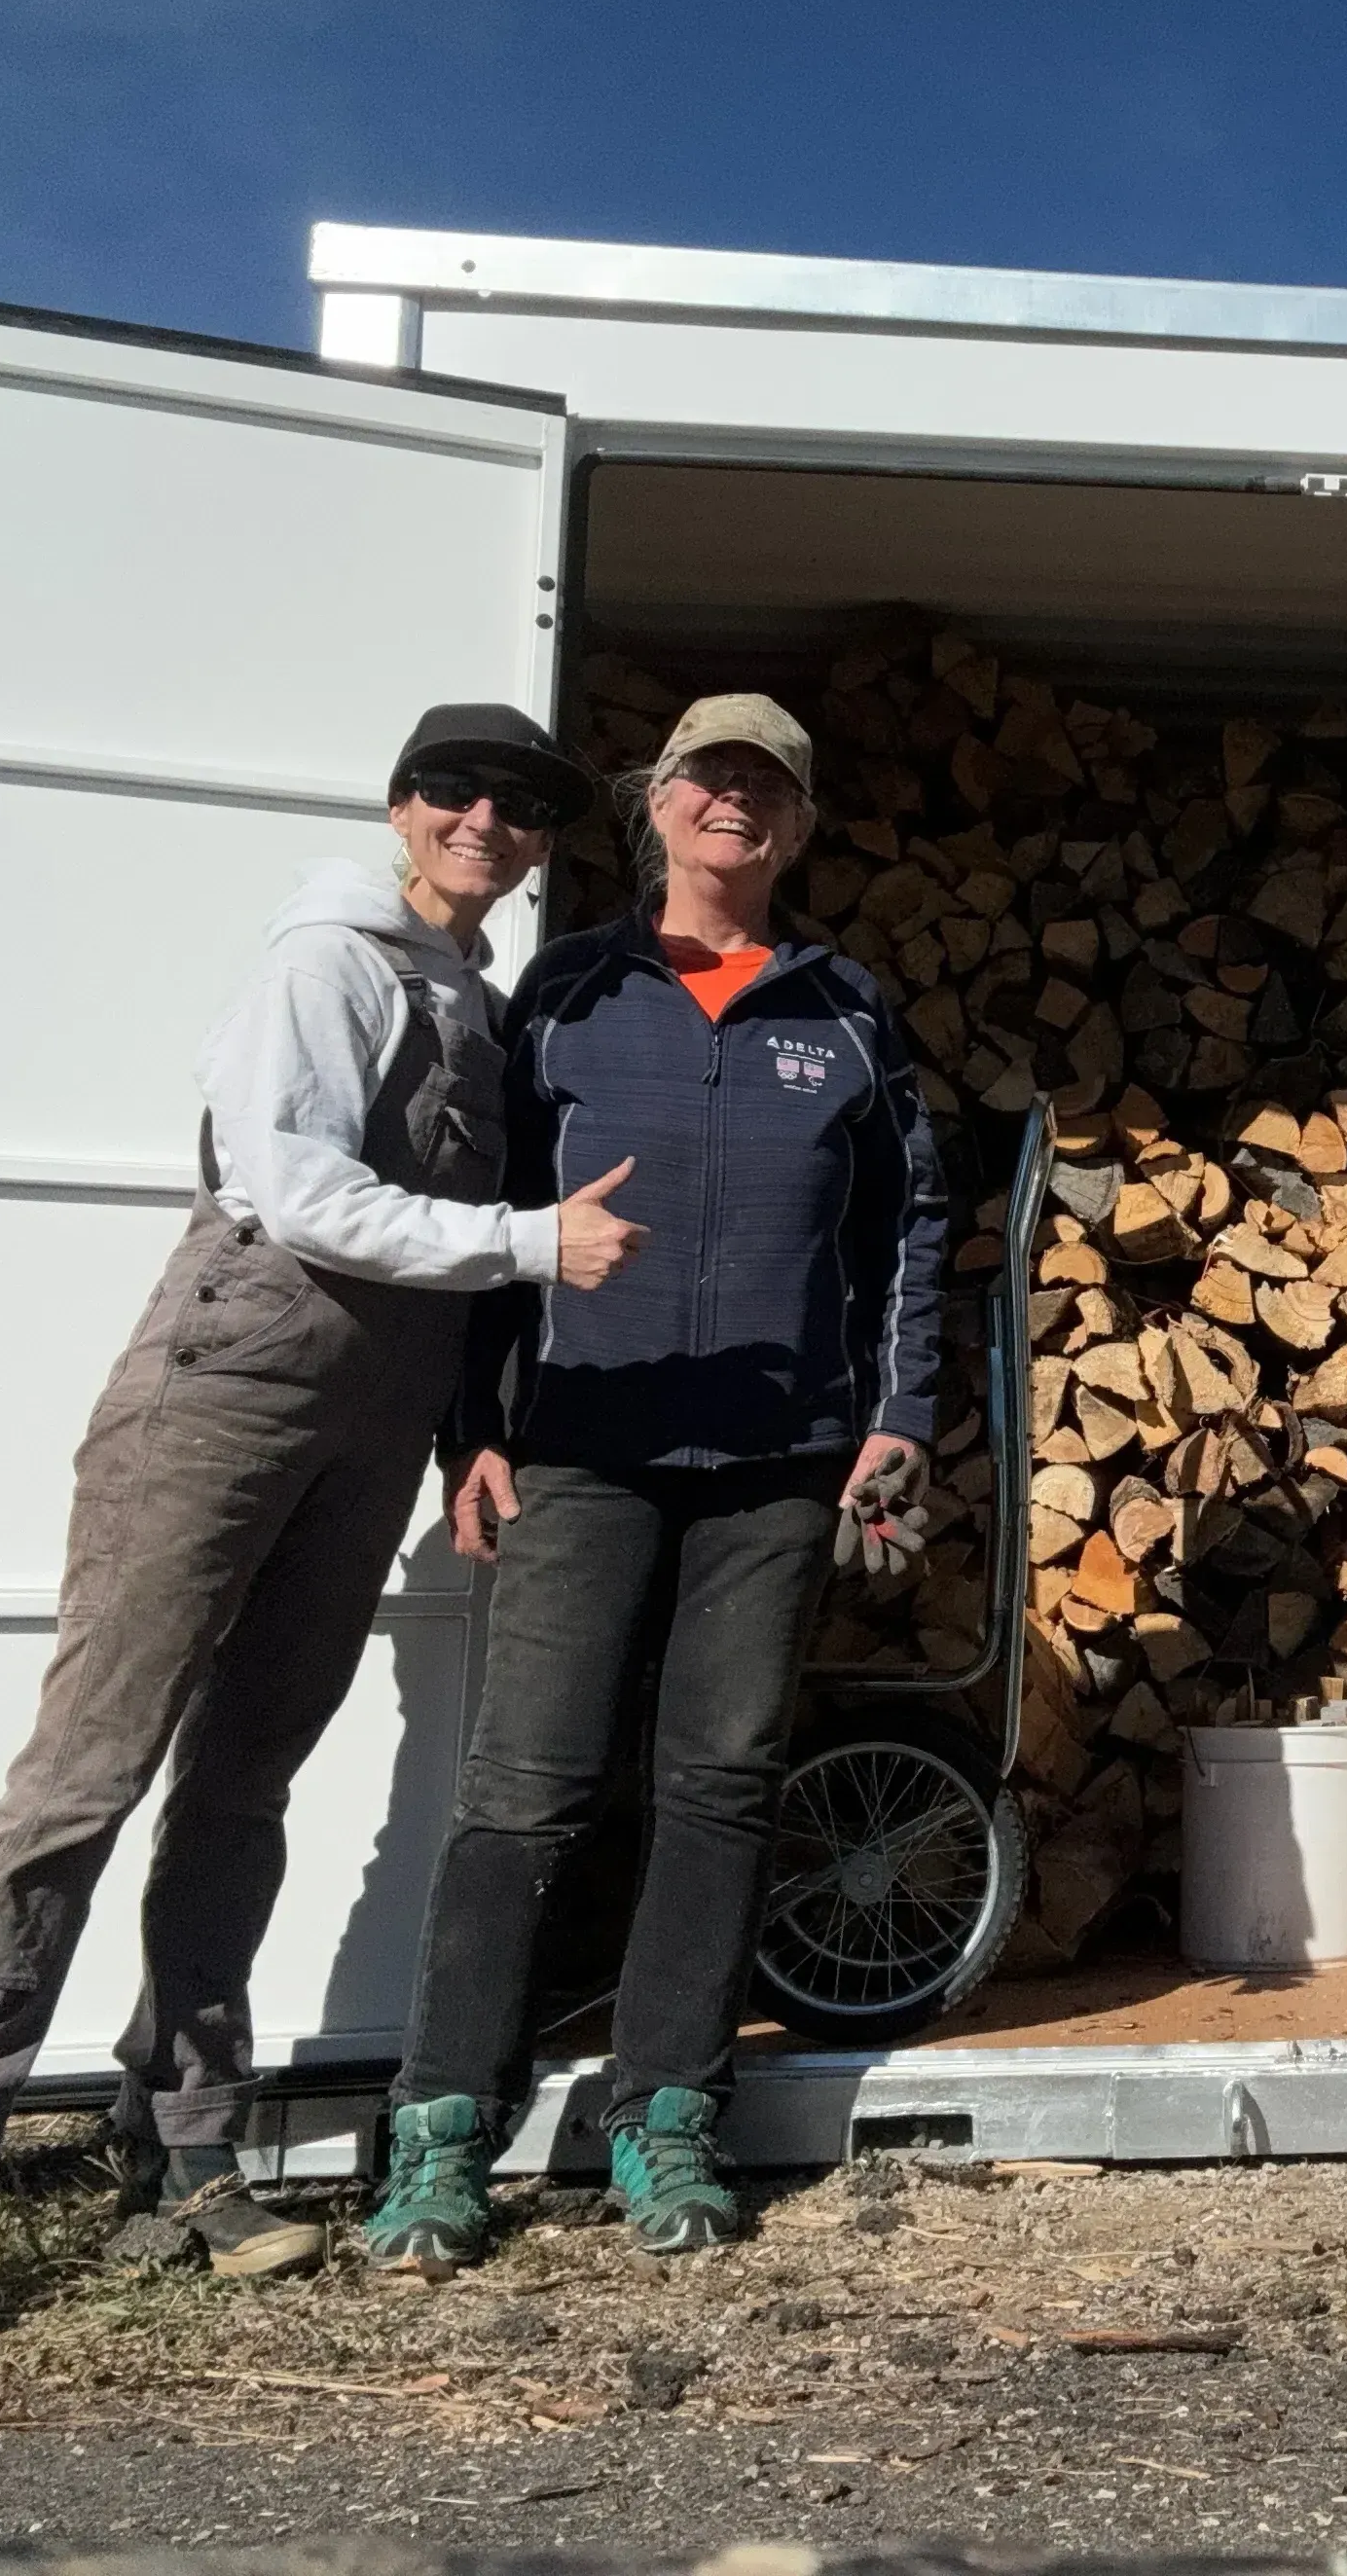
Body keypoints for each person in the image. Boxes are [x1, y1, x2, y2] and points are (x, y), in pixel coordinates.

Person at [0, 706, 642, 2340]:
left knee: (244, 1789)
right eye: (457, 792)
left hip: (372, 1431)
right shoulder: (324, 965)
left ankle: (187, 2141)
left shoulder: (477, 1008)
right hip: (226, 1394)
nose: (488, 819)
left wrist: (472, 1422)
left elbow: (436, 1264)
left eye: (525, 804)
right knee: (83, 1782)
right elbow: (298, 1189)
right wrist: (535, 1243)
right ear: (402, 806)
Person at [360, 690, 949, 2272]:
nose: (733, 804)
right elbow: (490, 1225)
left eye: (768, 785)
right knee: (523, 1789)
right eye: (707, 779)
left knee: (720, 1780)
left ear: (799, 825)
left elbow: (907, 1225)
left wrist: (900, 1409)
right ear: (658, 807)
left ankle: (669, 2110)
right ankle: (439, 2133)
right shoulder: (567, 992)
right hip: (583, 1444)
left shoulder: (843, 1009)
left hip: (779, 1463)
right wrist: (472, 1429)